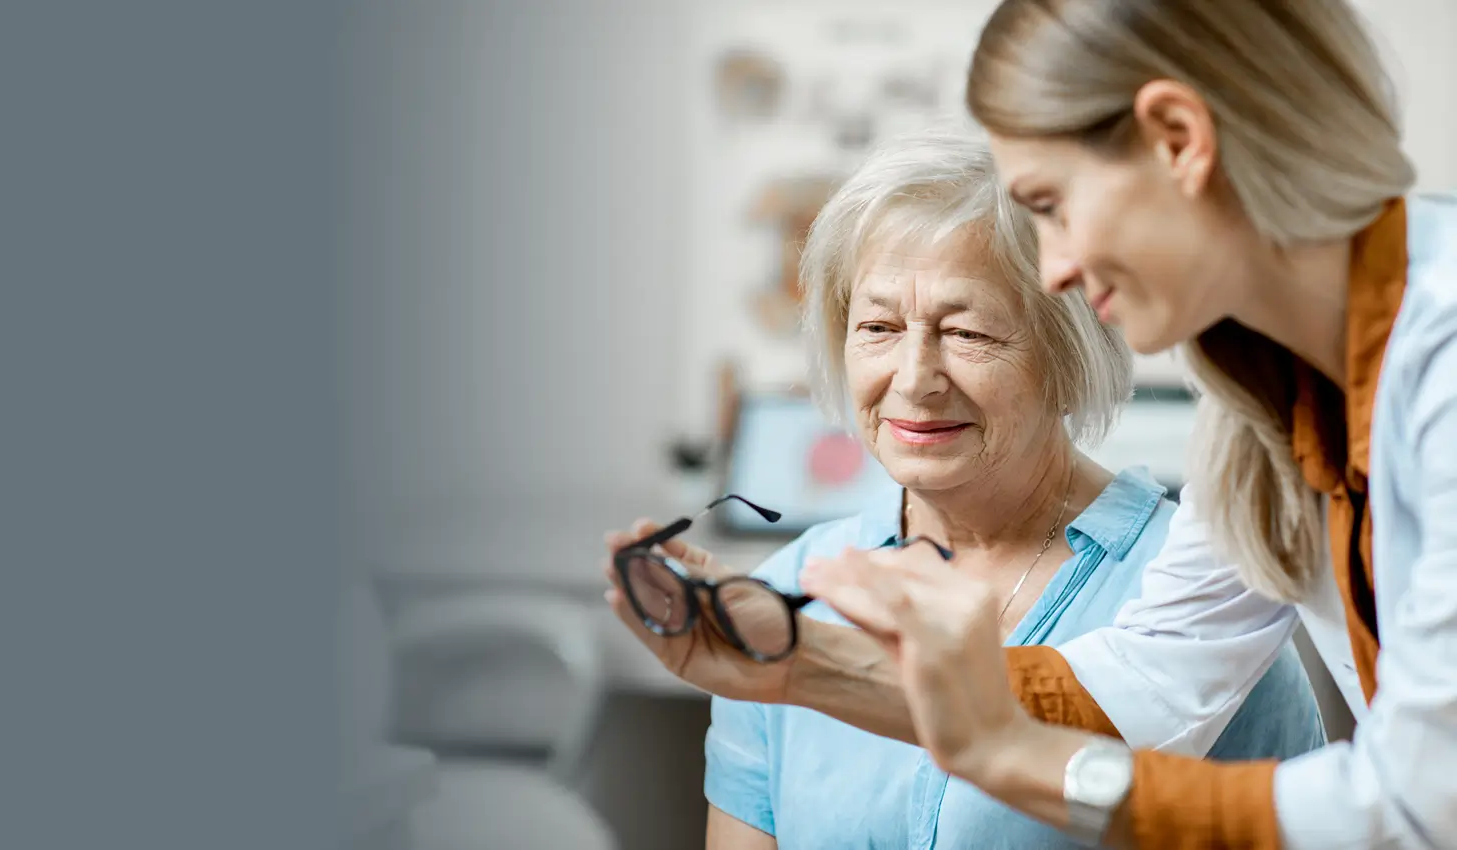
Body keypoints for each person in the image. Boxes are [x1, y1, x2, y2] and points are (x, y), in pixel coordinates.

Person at [797, 1, 1457, 847]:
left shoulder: (1438, 358)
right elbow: (1156, 674)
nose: (1060, 267)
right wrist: (792, 662)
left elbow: (1418, 801)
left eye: (1054, 204)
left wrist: (1018, 759)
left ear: (1179, 138)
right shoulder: (1264, 395)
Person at [602, 130, 1324, 850]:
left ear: (1067, 356)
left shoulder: (1206, 608)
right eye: (878, 326)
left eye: (968, 334)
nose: (914, 378)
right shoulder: (785, 588)